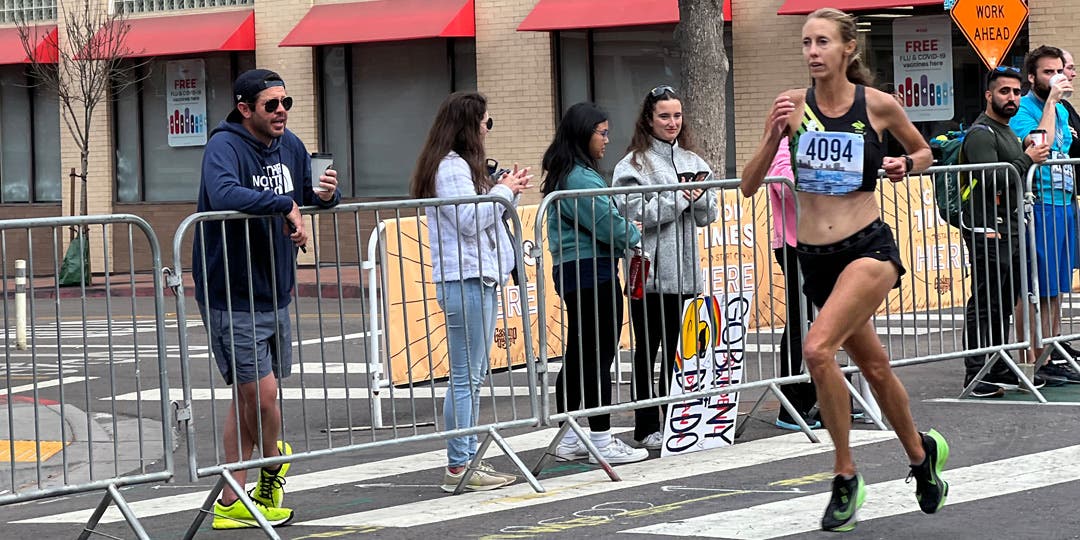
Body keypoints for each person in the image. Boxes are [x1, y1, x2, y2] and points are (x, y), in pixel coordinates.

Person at [739, 9, 948, 532]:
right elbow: (747, 186)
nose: (812, 51)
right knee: (875, 368)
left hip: (869, 249)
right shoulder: (791, 107)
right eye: (806, 42)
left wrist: (906, 165)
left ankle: (845, 476)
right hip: (815, 259)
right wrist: (771, 137)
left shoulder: (877, 106)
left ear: (847, 49)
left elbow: (923, 151)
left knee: (816, 349)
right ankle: (922, 457)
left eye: (822, 42)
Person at [194, 68, 341, 529]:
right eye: (271, 105)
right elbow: (223, 193)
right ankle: (273, 465)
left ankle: (232, 498)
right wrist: (283, 204)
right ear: (245, 109)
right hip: (232, 291)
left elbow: (299, 196)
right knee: (262, 394)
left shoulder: (291, 145)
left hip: (275, 288)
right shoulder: (225, 146)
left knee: (247, 398)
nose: (281, 112)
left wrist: (323, 198)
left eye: (286, 103)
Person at [409, 92, 532, 493]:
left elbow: (476, 212)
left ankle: (465, 459)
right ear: (467, 126)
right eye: (485, 123)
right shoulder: (450, 168)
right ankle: (460, 464)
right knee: (466, 377)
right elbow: (468, 219)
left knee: (472, 375)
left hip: (474, 277)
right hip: (465, 279)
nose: (487, 130)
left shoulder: (458, 167)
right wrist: (504, 193)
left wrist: (501, 188)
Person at [611, 86, 719, 449]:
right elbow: (630, 212)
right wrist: (678, 199)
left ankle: (679, 422)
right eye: (664, 116)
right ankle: (645, 426)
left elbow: (709, 214)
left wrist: (699, 199)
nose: (672, 123)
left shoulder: (693, 161)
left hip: (688, 273)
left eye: (677, 115)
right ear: (648, 119)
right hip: (650, 274)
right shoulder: (632, 164)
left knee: (682, 351)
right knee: (648, 350)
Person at [543, 102, 648, 465]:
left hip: (577, 270)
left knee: (579, 353)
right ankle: (600, 439)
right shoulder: (579, 177)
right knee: (598, 354)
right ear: (582, 134)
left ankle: (570, 435)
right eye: (601, 132)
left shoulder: (568, 173)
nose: (607, 139)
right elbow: (609, 224)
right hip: (591, 271)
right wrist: (631, 231)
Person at [957, 66, 1048, 397]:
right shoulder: (982, 133)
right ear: (989, 95)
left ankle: (995, 363)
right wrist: (1026, 158)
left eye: (1015, 92)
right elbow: (994, 177)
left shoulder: (1007, 131)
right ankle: (975, 371)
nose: (1011, 98)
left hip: (1010, 228)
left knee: (1004, 301)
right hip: (986, 229)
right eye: (1004, 92)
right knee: (985, 300)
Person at [1009, 46, 1080, 384]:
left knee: (1057, 286)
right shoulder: (1025, 109)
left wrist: (1057, 105)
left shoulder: (1064, 111)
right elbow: (1043, 144)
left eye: (1059, 71)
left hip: (1065, 201)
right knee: (1036, 285)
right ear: (1032, 77)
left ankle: (1050, 352)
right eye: (1048, 72)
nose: (1056, 78)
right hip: (1039, 203)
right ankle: (1029, 357)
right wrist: (1050, 103)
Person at [740, 137, 821, 429]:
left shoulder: (818, 138)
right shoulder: (785, 142)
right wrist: (820, 177)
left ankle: (823, 398)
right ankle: (791, 405)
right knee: (801, 321)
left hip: (824, 240)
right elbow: (782, 183)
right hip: (793, 243)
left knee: (824, 319)